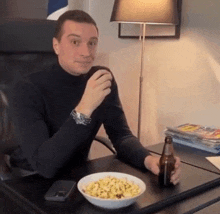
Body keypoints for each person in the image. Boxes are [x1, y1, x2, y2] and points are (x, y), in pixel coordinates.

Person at [9, 10, 181, 182]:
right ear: (56, 45)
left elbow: (122, 136)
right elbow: (45, 166)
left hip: (77, 175)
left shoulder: (100, 79)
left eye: (92, 43)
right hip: (30, 180)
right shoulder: (27, 89)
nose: (86, 52)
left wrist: (148, 160)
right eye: (75, 42)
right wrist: (84, 108)